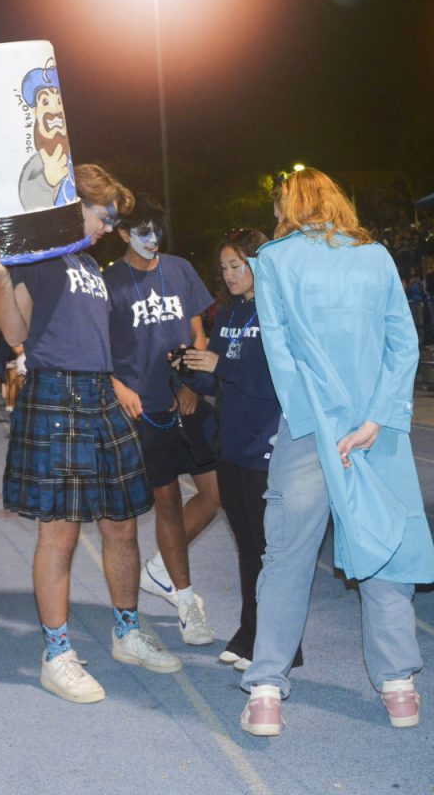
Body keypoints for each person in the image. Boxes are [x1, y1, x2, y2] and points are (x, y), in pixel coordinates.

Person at [237, 168, 434, 737]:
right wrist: (377, 417)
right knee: (386, 552)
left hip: (309, 430)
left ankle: (268, 692)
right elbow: (405, 343)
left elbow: (280, 353)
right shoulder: (376, 257)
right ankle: (399, 687)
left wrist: (321, 425)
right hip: (377, 431)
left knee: (287, 557)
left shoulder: (273, 260)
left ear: (288, 204)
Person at [0, 163, 180, 704]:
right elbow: (16, 332)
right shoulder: (35, 258)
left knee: (122, 526)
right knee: (59, 534)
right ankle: (56, 653)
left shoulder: (86, 261)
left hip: (99, 395)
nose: (109, 228)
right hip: (56, 396)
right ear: (72, 205)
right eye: (103, 216)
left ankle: (127, 632)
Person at [181, 228, 303, 672]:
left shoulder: (278, 313)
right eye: (225, 268)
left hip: (265, 445)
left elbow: (274, 383)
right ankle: (252, 630)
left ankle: (279, 640)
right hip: (230, 443)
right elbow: (217, 379)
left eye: (238, 265)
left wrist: (221, 364)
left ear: (258, 264)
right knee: (248, 546)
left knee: (271, 549)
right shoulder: (231, 312)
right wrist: (188, 368)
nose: (230, 275)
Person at [102, 193, 219, 646]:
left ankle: (159, 569)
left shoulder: (180, 268)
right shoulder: (110, 281)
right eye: (143, 231)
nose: (153, 239)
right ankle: (187, 601)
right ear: (123, 233)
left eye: (158, 230)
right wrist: (120, 387)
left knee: (216, 495)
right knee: (167, 502)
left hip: (188, 397)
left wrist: (192, 380)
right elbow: (96, 349)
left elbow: (196, 330)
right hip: (145, 409)